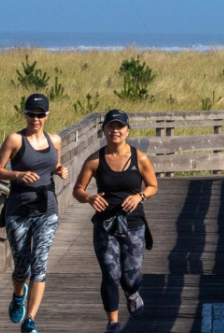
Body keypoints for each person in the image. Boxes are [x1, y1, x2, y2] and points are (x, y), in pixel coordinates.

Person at [72, 110, 158, 333]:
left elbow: (153, 186)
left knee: (130, 275)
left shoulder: (140, 158)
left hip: (134, 223)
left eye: (120, 126)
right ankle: (113, 322)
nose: (115, 130)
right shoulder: (94, 160)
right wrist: (89, 198)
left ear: (128, 130)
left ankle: (131, 292)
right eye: (111, 126)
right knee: (110, 274)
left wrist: (139, 196)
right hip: (105, 224)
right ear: (105, 130)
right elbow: (77, 191)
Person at [0, 93, 68, 333]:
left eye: (40, 115)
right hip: (19, 208)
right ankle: (18, 295)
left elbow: (53, 163)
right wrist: (18, 175)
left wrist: (60, 169)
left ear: (47, 115)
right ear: (25, 114)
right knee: (21, 267)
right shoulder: (15, 139)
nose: (35, 119)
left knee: (40, 263)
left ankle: (31, 320)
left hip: (47, 208)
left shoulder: (54, 139)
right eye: (31, 114)